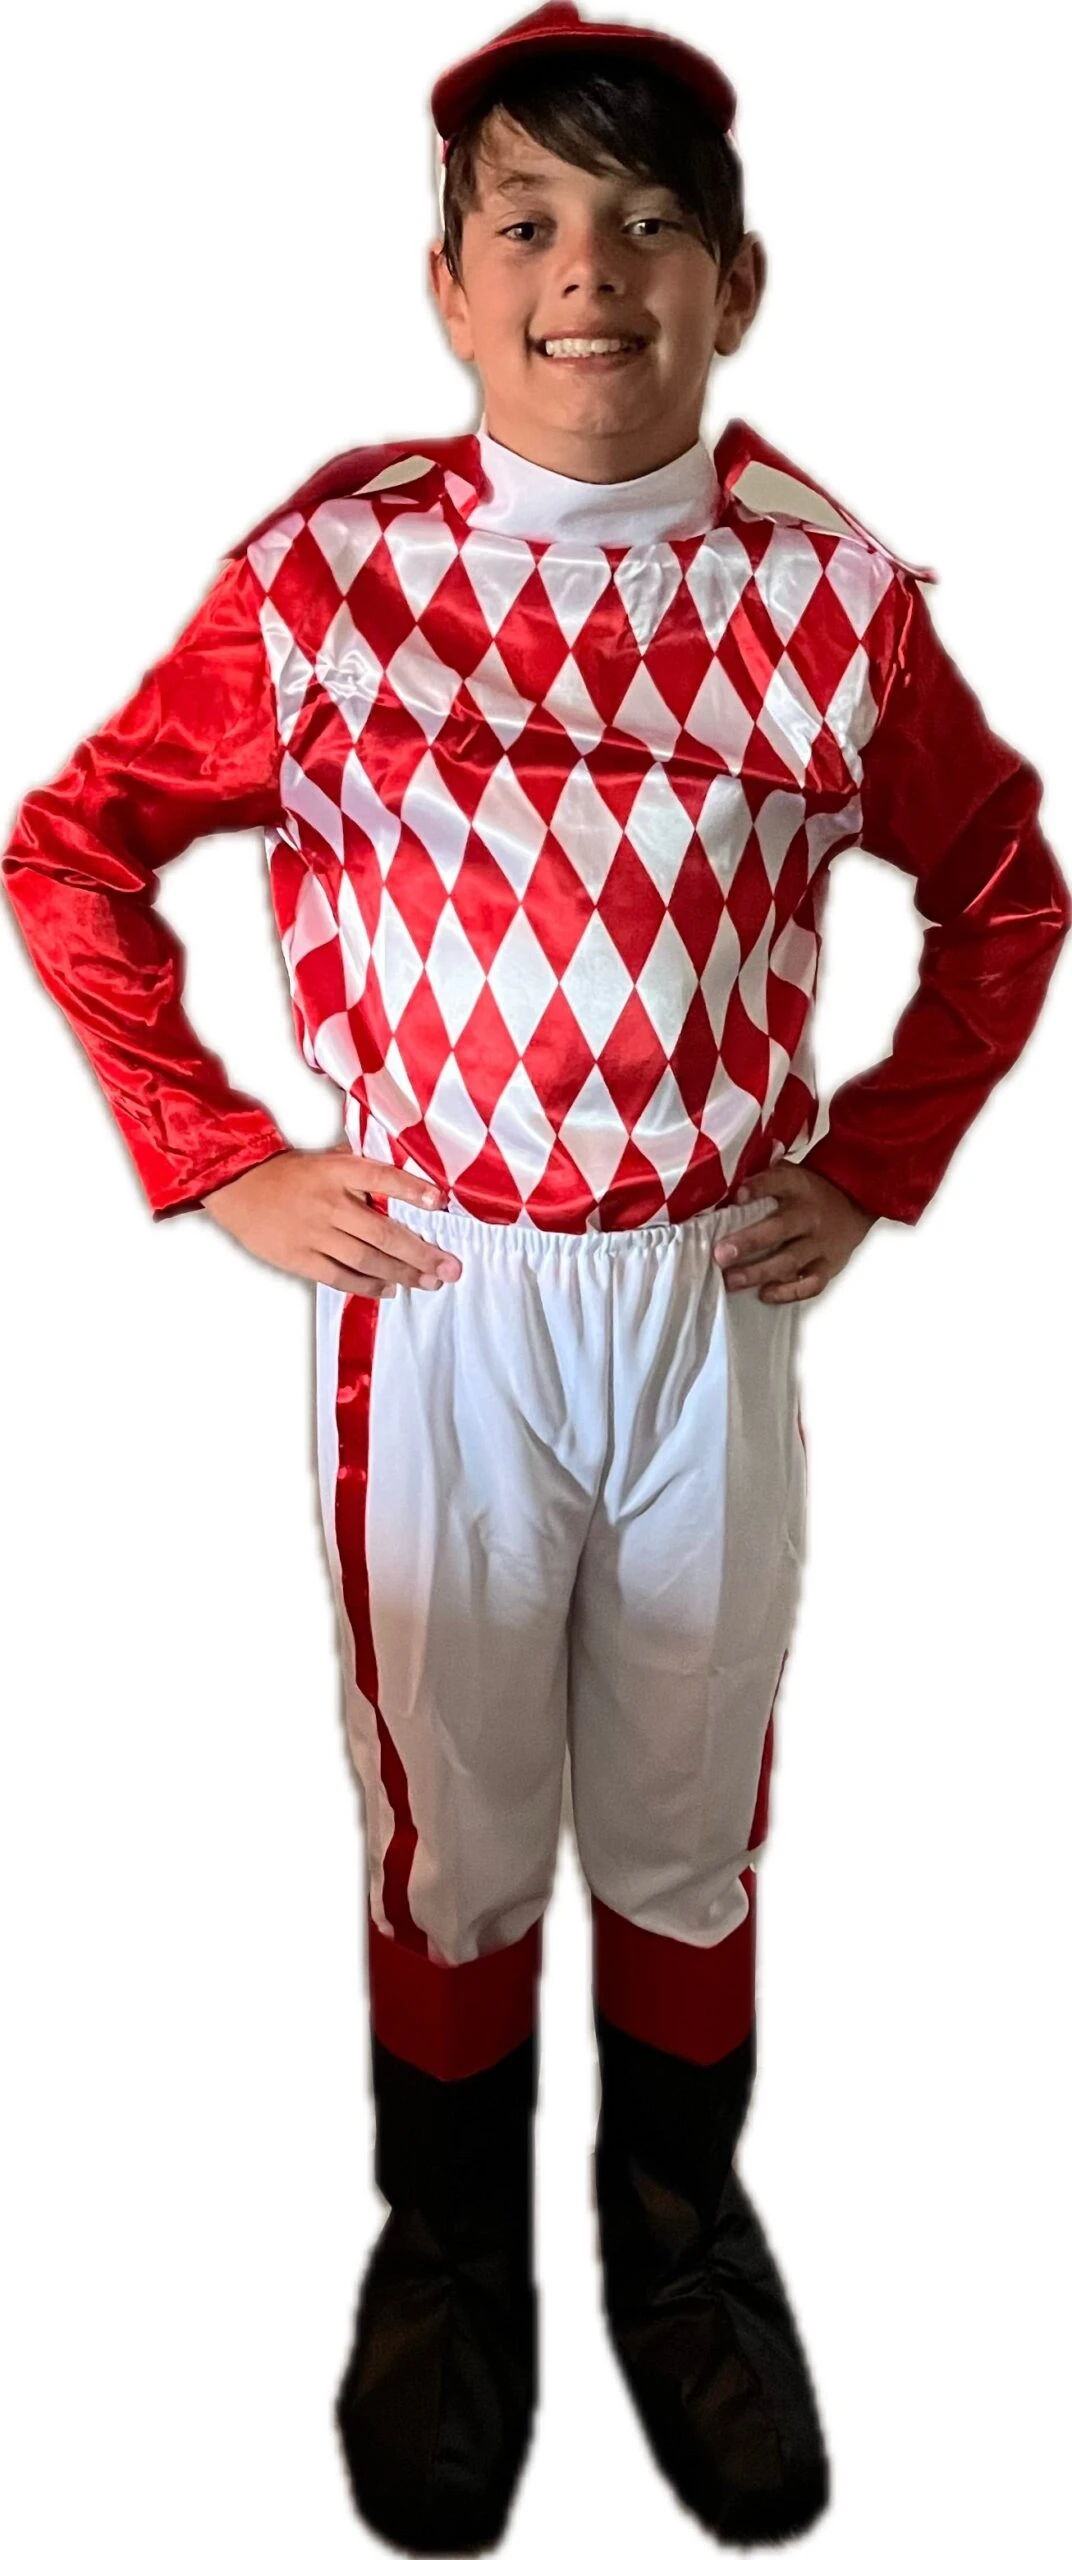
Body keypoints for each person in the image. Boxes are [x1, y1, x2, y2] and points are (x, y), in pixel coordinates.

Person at [3, 5, 1069, 2551]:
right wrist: (217, 1155)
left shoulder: (828, 603)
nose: (590, 269)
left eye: (648, 223)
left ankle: (675, 2239)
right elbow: (72, 847)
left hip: (705, 1295)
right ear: (452, 289)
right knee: (452, 1819)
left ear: (736, 283)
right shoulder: (326, 582)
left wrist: (874, 1161)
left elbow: (1002, 889)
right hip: (441, 1295)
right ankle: (446, 2254)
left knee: (687, 1808)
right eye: (531, 223)